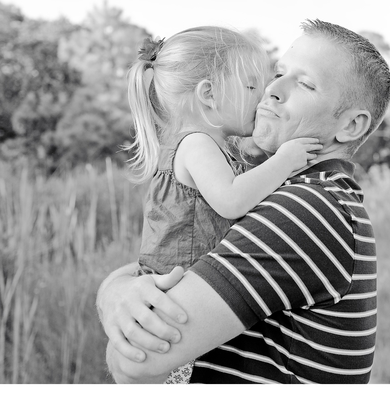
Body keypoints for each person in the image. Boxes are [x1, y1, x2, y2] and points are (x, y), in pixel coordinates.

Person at [96, 19, 390, 384]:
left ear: (349, 127)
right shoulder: (293, 195)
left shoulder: (305, 210)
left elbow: (137, 361)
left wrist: (116, 299)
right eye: (279, 73)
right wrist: (115, 294)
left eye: (305, 83)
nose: (272, 90)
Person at [124, 26, 321, 383]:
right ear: (209, 94)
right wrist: (285, 160)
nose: (262, 95)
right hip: (176, 296)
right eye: (249, 86)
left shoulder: (209, 145)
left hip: (183, 290)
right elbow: (231, 201)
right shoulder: (197, 143)